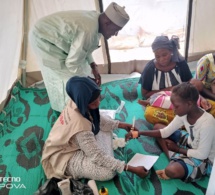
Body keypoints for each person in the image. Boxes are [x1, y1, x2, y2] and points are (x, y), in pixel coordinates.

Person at [41, 76, 148, 181]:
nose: (98, 103)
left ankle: (93, 148)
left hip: (71, 142)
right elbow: (96, 156)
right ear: (84, 102)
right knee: (108, 172)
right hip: (64, 158)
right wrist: (131, 168)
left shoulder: (77, 100)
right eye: (93, 102)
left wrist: (123, 125)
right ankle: (92, 151)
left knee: (103, 125)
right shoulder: (81, 126)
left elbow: (97, 118)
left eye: (98, 98)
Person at [29, 2, 130, 112]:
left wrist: (93, 65)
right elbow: (72, 64)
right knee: (68, 77)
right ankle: (66, 111)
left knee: (83, 70)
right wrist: (88, 81)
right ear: (107, 23)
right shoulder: (89, 30)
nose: (116, 34)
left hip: (55, 37)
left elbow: (85, 48)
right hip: (43, 39)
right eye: (116, 30)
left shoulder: (98, 20)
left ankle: (83, 100)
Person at [126, 82, 215, 182]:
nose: (174, 110)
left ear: (189, 104)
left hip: (205, 160)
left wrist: (177, 149)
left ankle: (174, 157)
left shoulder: (207, 123)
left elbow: (202, 154)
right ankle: (172, 156)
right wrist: (139, 133)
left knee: (170, 171)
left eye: (176, 106)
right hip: (191, 141)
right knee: (157, 127)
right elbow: (165, 132)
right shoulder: (184, 113)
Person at [138, 35, 193, 125]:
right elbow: (145, 94)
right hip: (160, 104)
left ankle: (176, 124)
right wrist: (168, 90)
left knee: (208, 105)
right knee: (149, 114)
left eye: (164, 55)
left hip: (182, 101)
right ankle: (187, 121)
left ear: (171, 51)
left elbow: (190, 84)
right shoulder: (150, 69)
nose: (161, 59)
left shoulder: (180, 63)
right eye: (157, 56)